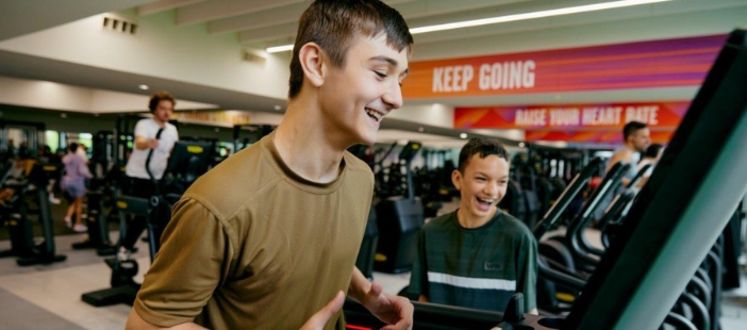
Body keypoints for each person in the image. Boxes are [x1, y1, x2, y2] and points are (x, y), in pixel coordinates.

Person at [125, 1, 414, 330]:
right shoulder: (221, 204)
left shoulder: (361, 179)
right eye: (381, 73)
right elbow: (146, 324)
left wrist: (366, 294)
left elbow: (313, 249)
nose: (396, 98)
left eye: (400, 80)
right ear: (316, 64)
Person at [408, 138, 538, 314]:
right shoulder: (430, 232)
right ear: (457, 179)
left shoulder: (519, 237)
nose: (492, 191)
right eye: (482, 179)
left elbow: (529, 313)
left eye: (502, 182)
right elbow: (422, 300)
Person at [119, 91, 179, 256]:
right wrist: (147, 142)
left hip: (159, 177)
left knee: (163, 214)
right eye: (162, 108)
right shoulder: (144, 125)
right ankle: (125, 247)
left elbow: (174, 150)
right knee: (144, 214)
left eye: (169, 109)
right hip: (140, 175)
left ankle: (161, 251)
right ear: (154, 109)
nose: (166, 112)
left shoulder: (172, 129)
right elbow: (139, 143)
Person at [61, 142, 92, 232]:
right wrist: (91, 176)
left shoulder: (66, 157)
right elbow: (83, 170)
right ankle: (77, 224)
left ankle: (68, 216)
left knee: (73, 201)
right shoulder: (79, 158)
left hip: (67, 182)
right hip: (77, 182)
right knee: (79, 204)